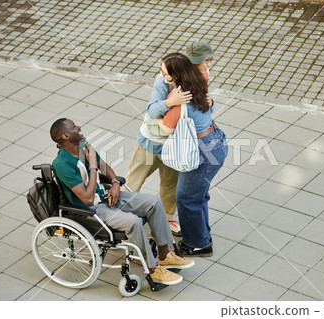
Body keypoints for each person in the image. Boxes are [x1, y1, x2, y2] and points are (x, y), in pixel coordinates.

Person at [50, 118, 194, 285]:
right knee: (133, 222)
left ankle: (164, 255)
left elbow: (105, 167)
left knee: (154, 202)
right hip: (90, 210)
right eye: (74, 127)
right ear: (65, 135)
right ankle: (153, 270)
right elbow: (88, 198)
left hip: (105, 197)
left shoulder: (84, 147)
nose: (79, 127)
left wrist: (116, 183)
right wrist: (92, 165)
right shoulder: (62, 164)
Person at [124, 41, 215, 237]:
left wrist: (211, 103)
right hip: (150, 143)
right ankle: (122, 216)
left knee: (170, 184)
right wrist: (169, 103)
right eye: (205, 61)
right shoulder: (163, 81)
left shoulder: (200, 79)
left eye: (209, 60)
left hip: (175, 146)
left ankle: (167, 217)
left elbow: (204, 112)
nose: (209, 65)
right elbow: (151, 110)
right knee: (134, 180)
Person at [156, 53, 228, 257]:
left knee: (186, 198)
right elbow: (209, 105)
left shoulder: (178, 97)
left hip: (202, 150)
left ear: (176, 75)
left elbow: (167, 129)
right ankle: (203, 235)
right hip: (216, 141)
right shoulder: (199, 81)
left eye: (165, 73)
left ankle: (197, 244)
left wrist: (157, 119)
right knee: (199, 195)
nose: (162, 76)